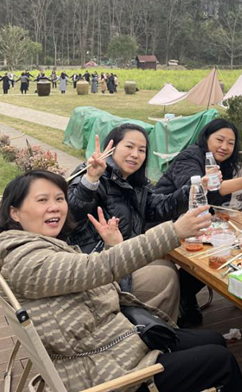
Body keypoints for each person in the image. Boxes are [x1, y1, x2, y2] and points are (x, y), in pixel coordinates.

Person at [0, 170, 242, 392]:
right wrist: (174, 231)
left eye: (59, 198)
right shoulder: (25, 260)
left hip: (110, 341)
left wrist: (112, 247)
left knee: (214, 340)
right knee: (221, 361)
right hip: (106, 372)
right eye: (42, 200)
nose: (54, 206)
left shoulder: (27, 247)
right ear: (15, 212)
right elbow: (92, 269)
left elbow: (86, 280)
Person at [67, 125, 191, 321]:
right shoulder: (94, 172)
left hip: (122, 255)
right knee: (167, 278)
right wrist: (91, 178)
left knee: (166, 265)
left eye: (142, 150)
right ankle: (150, 330)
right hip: (97, 267)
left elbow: (159, 207)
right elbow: (72, 212)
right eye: (129, 147)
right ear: (112, 148)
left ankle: (152, 323)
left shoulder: (136, 183)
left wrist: (191, 189)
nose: (135, 154)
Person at [152, 118, 242, 325]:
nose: (225, 147)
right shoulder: (190, 157)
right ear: (206, 137)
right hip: (166, 218)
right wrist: (241, 183)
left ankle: (186, 290)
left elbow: (214, 199)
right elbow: (193, 190)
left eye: (230, 143)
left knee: (226, 246)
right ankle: (184, 294)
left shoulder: (224, 164)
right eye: (219, 140)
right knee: (209, 252)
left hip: (198, 222)